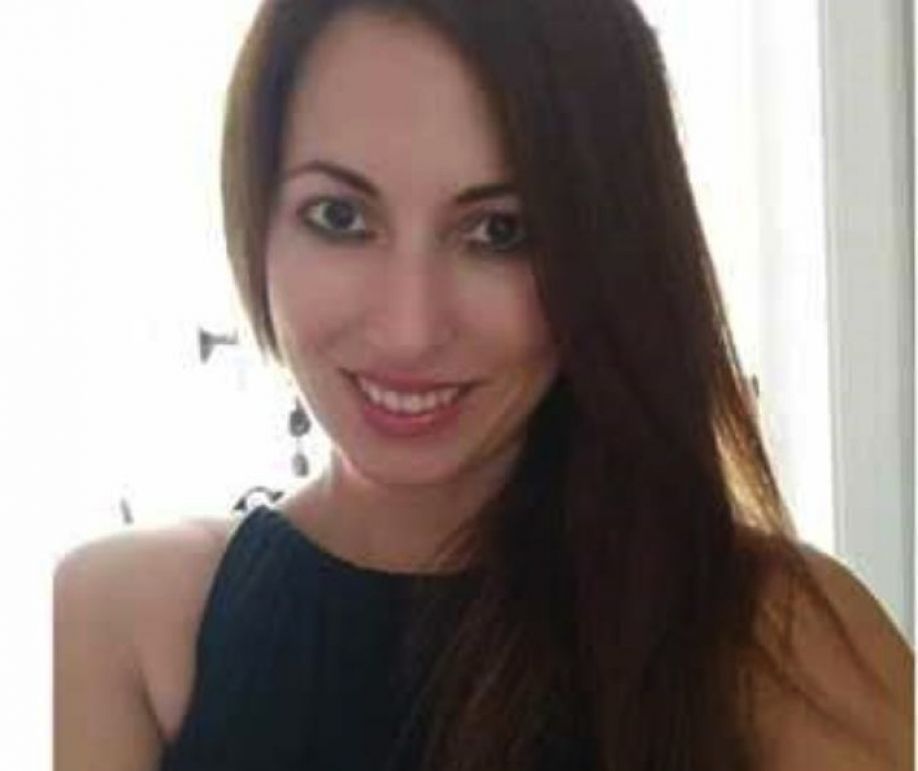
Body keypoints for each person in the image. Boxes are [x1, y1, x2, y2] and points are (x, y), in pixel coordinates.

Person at [54, 1, 913, 769]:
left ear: (608, 252)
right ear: (258, 218)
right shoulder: (117, 622)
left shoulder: (785, 643)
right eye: (340, 217)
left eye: (500, 231)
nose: (410, 328)